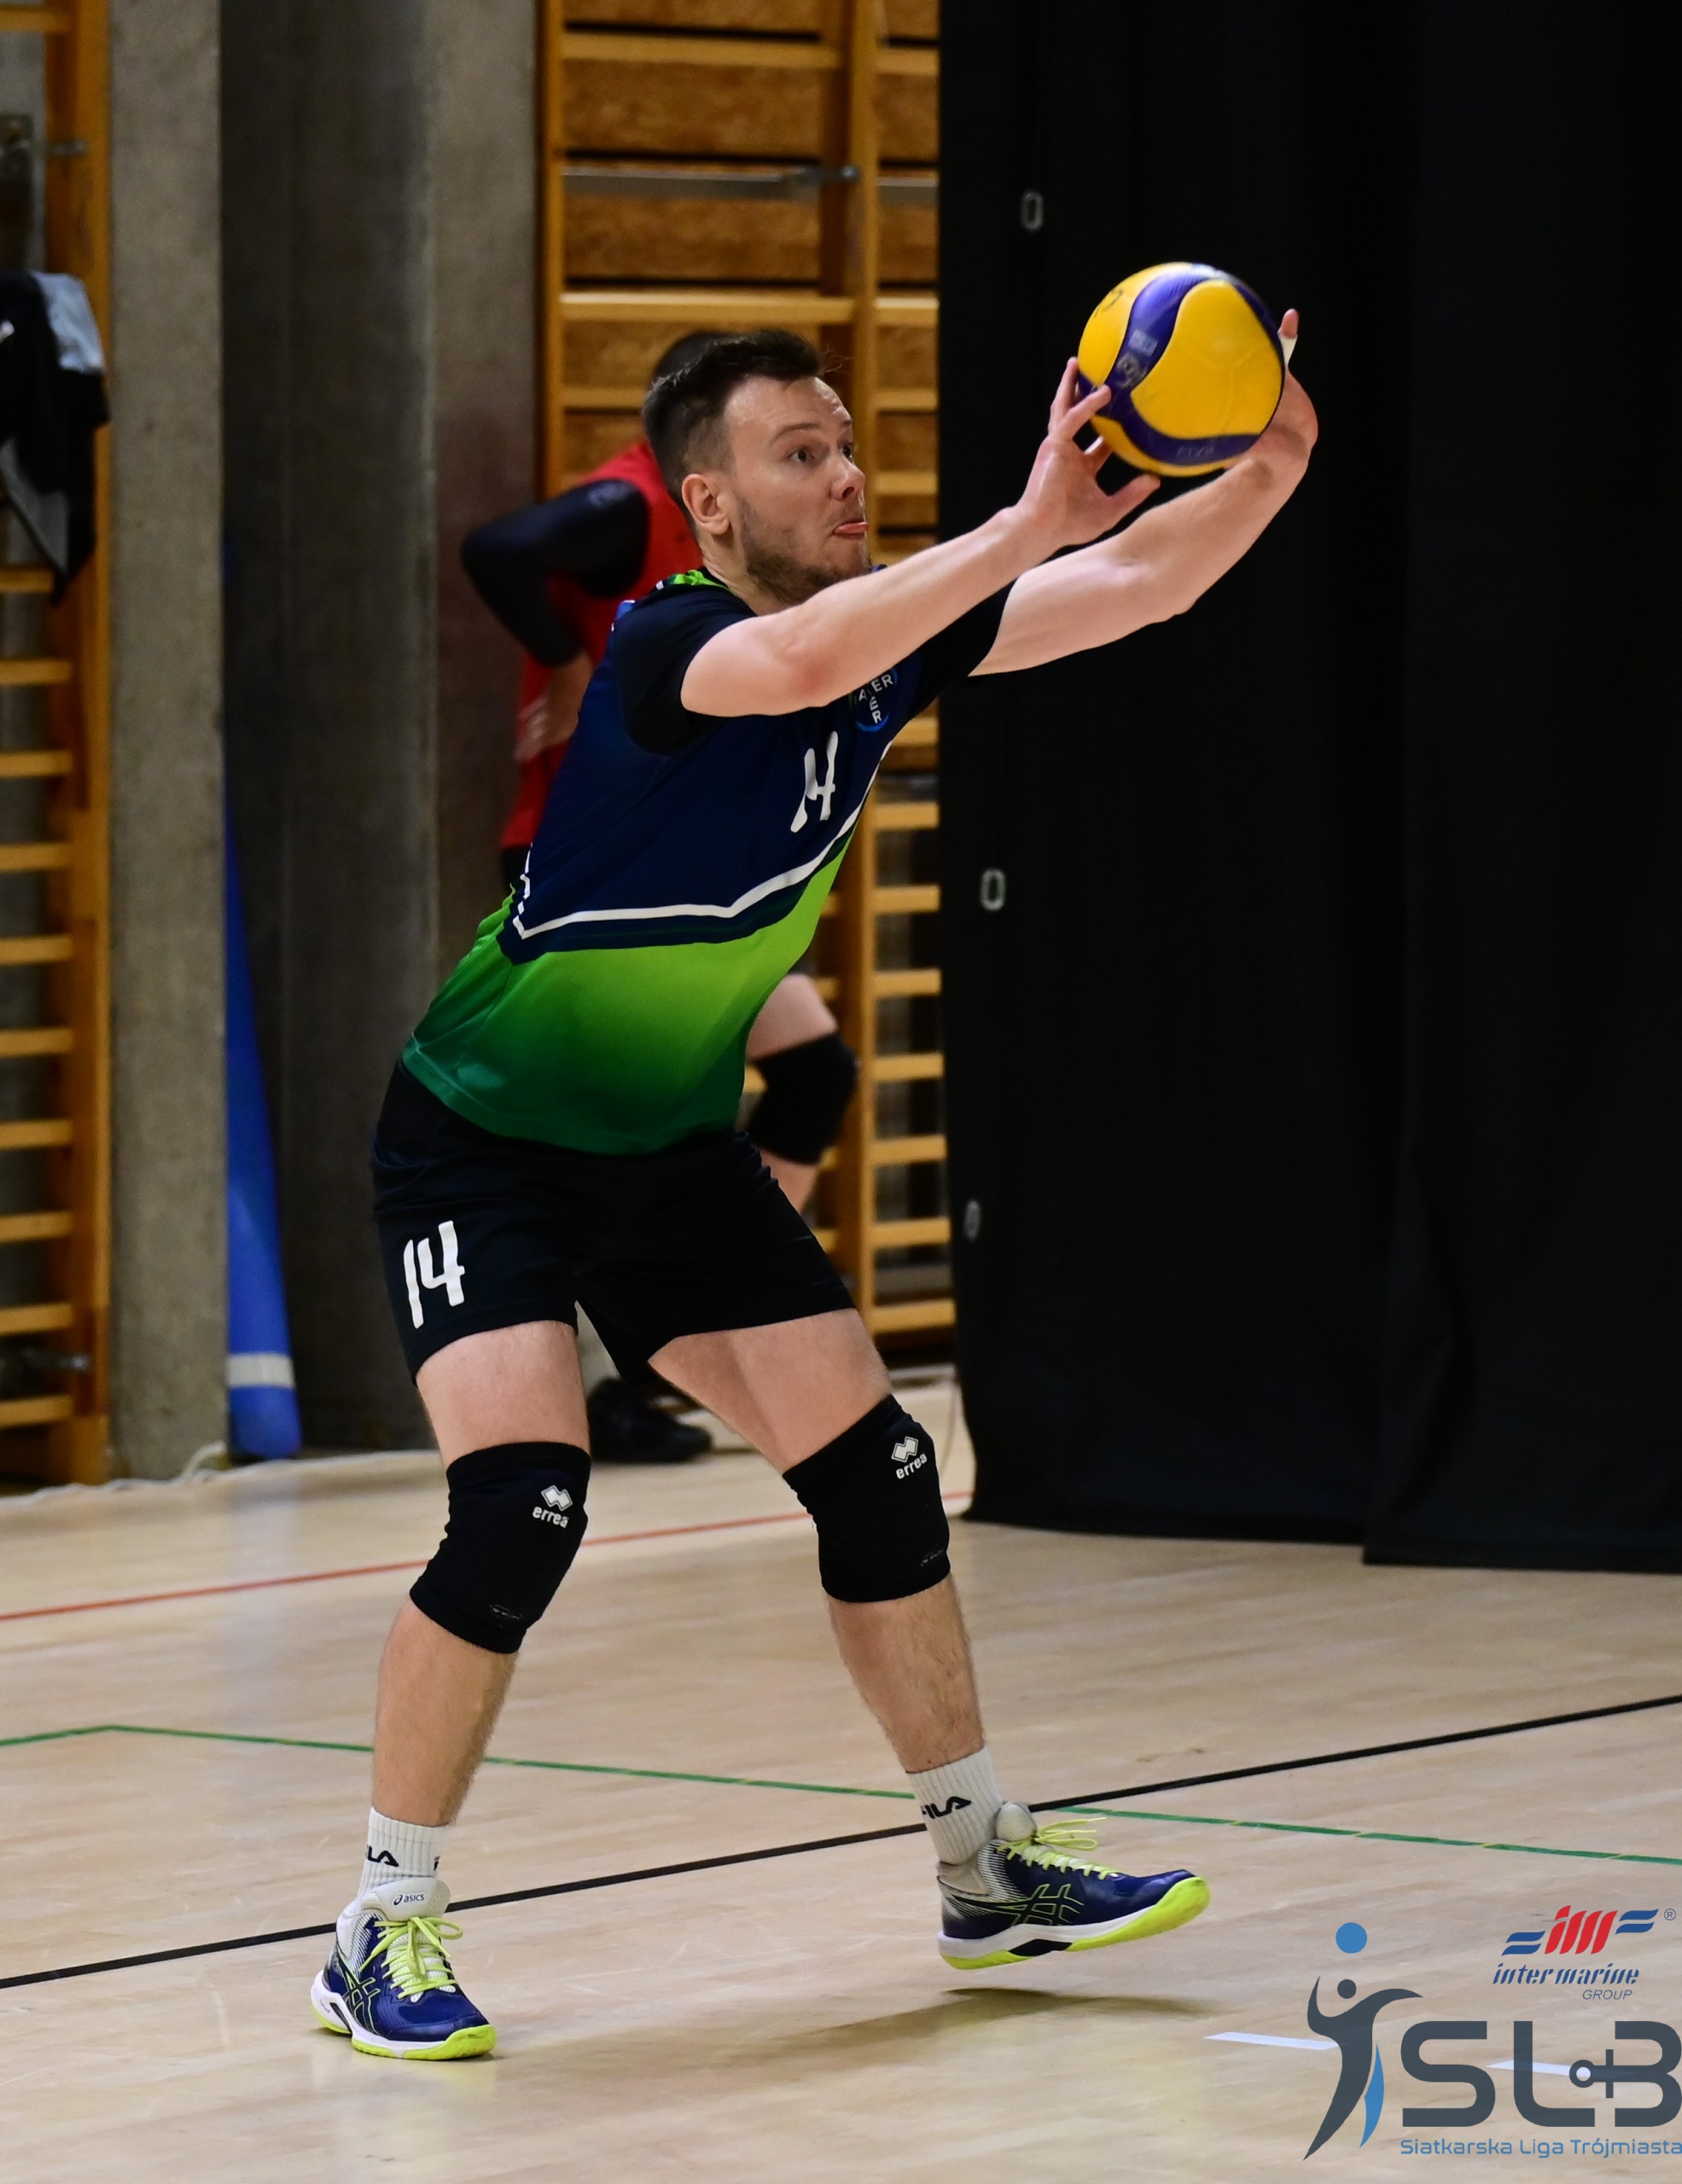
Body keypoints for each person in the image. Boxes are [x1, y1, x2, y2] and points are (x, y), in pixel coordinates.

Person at [312, 325, 1318, 2059]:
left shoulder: (885, 638)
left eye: (846, 444)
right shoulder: (670, 640)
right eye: (800, 452)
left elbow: (1142, 583)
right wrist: (1025, 524)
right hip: (484, 1139)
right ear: (708, 500)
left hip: (669, 1149)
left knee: (882, 1472)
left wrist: (1276, 458)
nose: (844, 474)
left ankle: (982, 1863)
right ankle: (380, 1918)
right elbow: (793, 663)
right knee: (522, 1506)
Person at [461, 334, 857, 1461]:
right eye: (793, 446)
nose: (827, 470)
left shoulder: (754, 550)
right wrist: (564, 660)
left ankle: (665, 1331)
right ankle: (597, 1376)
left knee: (809, 1075)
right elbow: (500, 548)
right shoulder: (633, 506)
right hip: (592, 877)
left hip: (697, 878)